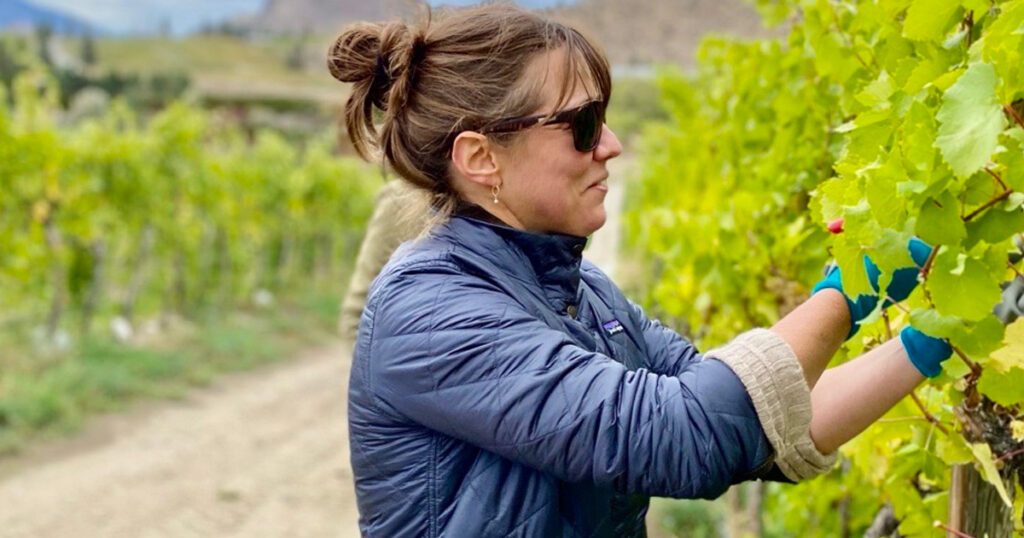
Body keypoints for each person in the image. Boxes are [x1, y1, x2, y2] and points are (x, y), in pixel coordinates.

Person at [326, 4, 952, 536]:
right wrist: (849, 290)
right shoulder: (429, 311)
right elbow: (684, 433)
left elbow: (760, 418)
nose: (612, 144)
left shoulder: (586, 294)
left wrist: (932, 338)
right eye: (582, 125)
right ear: (481, 158)